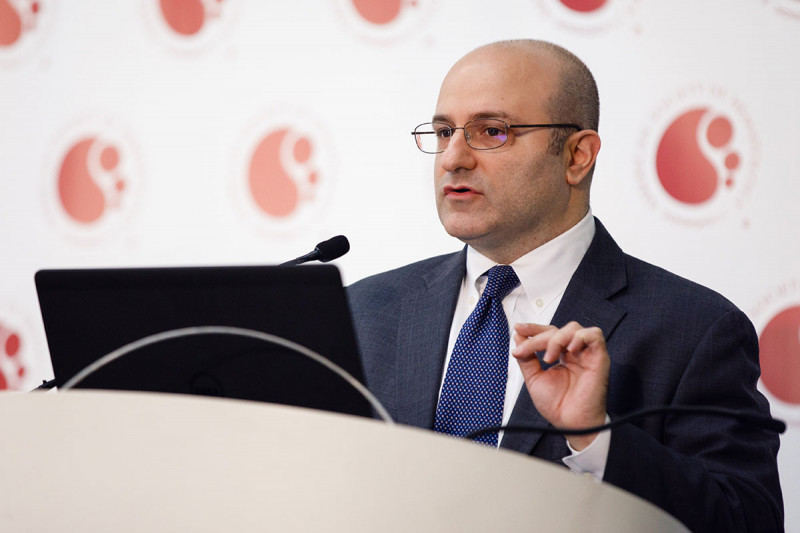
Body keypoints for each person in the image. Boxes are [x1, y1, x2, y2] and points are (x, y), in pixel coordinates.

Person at [346, 39, 783, 531]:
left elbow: (748, 519)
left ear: (578, 155)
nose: (453, 158)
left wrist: (595, 439)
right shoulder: (366, 311)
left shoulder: (695, 329)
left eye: (492, 131)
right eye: (444, 132)